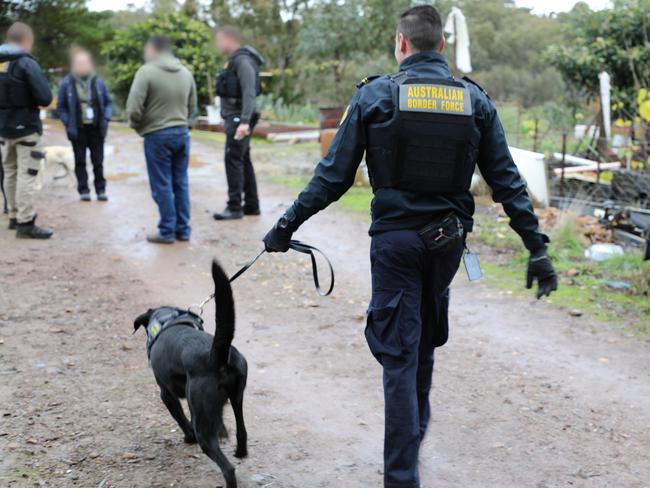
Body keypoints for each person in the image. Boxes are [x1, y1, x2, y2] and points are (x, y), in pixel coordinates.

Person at [263, 6, 558, 487]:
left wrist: (285, 225)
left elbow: (332, 177)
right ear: (440, 46)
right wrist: (537, 248)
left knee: (400, 356)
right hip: (446, 243)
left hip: (396, 245)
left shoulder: (376, 95)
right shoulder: (474, 101)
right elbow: (508, 183)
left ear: (402, 45)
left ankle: (402, 477)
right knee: (418, 346)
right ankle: (411, 443)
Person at [126, 35, 197, 244]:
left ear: (153, 49)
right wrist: (184, 124)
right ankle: (183, 230)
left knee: (162, 184)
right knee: (181, 183)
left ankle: (167, 231)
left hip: (157, 135)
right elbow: (193, 107)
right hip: (182, 133)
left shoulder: (146, 72)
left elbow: (133, 108)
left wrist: (139, 127)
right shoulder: (186, 72)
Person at [0, 22, 53, 239]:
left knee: (9, 172)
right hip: (26, 129)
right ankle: (25, 222)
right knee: (27, 174)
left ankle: (13, 216)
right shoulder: (26, 63)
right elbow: (45, 98)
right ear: (26, 41)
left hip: (3, 129)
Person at [213, 26, 264, 221]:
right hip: (236, 117)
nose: (218, 45)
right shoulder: (235, 61)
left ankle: (234, 207)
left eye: (219, 40)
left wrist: (244, 122)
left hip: (239, 119)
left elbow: (249, 93)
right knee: (243, 159)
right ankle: (252, 205)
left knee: (233, 160)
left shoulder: (242, 61)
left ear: (229, 40)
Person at [57, 47, 112, 202]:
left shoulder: (98, 82)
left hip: (96, 128)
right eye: (79, 62)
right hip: (78, 128)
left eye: (85, 62)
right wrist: (67, 122)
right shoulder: (67, 83)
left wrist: (106, 118)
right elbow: (61, 105)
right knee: (80, 161)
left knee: (98, 161)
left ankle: (101, 189)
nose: (82, 65)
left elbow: (108, 103)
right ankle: (84, 190)